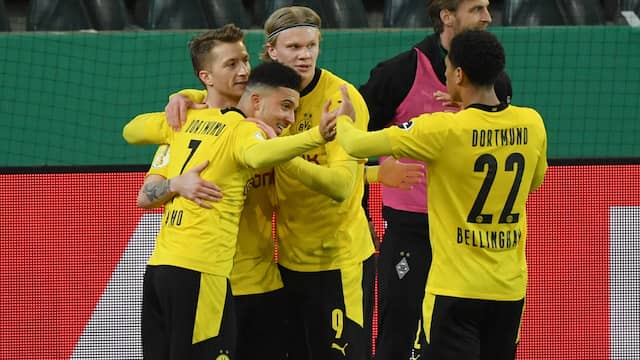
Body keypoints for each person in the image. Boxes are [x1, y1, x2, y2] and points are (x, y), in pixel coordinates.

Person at [170, 7, 379, 359]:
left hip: (338, 261)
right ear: (271, 51)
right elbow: (213, 97)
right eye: (294, 47)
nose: (305, 55)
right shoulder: (260, 97)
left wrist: (281, 153)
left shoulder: (341, 99)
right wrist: (184, 97)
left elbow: (343, 186)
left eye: (312, 45)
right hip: (288, 265)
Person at [336, 29, 547, 360]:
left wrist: (345, 119)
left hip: (455, 291)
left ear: (459, 74)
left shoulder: (442, 130)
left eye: (448, 69)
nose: (445, 74)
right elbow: (533, 182)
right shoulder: (532, 123)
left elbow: (355, 144)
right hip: (508, 290)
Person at [125, 58, 339, 359]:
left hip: (200, 274)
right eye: (286, 107)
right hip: (206, 274)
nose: (291, 118)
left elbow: (132, 136)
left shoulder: (190, 123)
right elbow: (257, 154)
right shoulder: (233, 129)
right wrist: (316, 135)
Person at [357, 1, 512, 358]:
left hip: (467, 233)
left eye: (487, 8)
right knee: (399, 332)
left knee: (457, 340)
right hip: (413, 228)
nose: (487, 17)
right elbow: (351, 145)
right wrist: (360, 209)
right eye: (476, 8)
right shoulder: (399, 73)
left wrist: (474, 113)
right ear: (447, 16)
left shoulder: (494, 82)